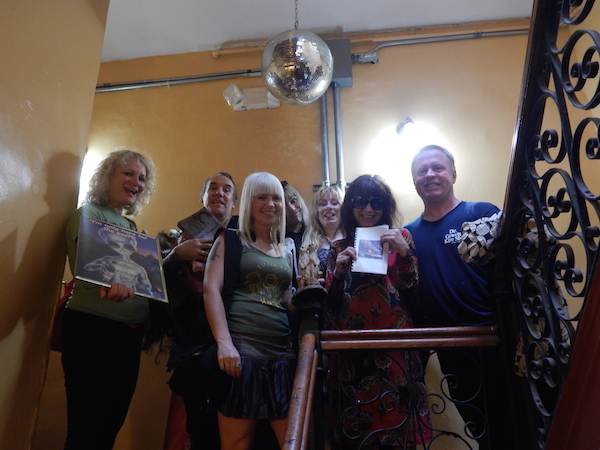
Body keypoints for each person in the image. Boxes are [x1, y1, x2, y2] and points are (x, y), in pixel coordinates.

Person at [405, 144, 512, 449]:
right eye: (422, 170)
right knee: (483, 432)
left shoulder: (481, 213)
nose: (430, 175)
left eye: (437, 167)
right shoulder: (407, 234)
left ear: (453, 173)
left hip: (496, 341)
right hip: (451, 349)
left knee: (518, 422)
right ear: (414, 180)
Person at [324, 174, 431, 449]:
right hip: (351, 351)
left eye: (377, 203)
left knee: (399, 428)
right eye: (361, 202)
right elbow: (331, 306)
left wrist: (404, 256)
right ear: (350, 206)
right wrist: (338, 273)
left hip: (397, 349)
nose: (369, 209)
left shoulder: (403, 237)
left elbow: (413, 294)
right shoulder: (339, 247)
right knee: (355, 429)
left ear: (386, 207)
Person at [62, 149, 156, 450]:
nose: (136, 182)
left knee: (109, 425)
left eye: (141, 178)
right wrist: (111, 282)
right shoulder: (89, 213)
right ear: (107, 177)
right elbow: (92, 266)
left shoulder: (129, 226)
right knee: (86, 426)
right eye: (128, 173)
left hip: (128, 335)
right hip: (94, 329)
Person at [203, 172, 297, 450]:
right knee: (236, 444)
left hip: (282, 355)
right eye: (262, 197)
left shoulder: (286, 249)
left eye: (276, 198)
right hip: (243, 352)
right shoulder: (230, 240)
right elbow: (210, 289)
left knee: (293, 442)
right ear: (249, 203)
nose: (271, 204)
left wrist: (309, 295)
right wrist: (224, 344)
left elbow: (287, 300)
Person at [160, 172, 239, 450]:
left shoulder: (243, 238)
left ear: (234, 201)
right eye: (213, 188)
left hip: (236, 339)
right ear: (202, 197)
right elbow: (152, 284)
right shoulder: (178, 238)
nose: (219, 193)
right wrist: (176, 255)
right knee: (197, 426)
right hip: (192, 342)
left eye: (227, 190)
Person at [301, 184, 345, 275]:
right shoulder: (308, 242)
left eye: (334, 203)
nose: (329, 207)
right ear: (316, 211)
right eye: (323, 204)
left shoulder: (353, 237)